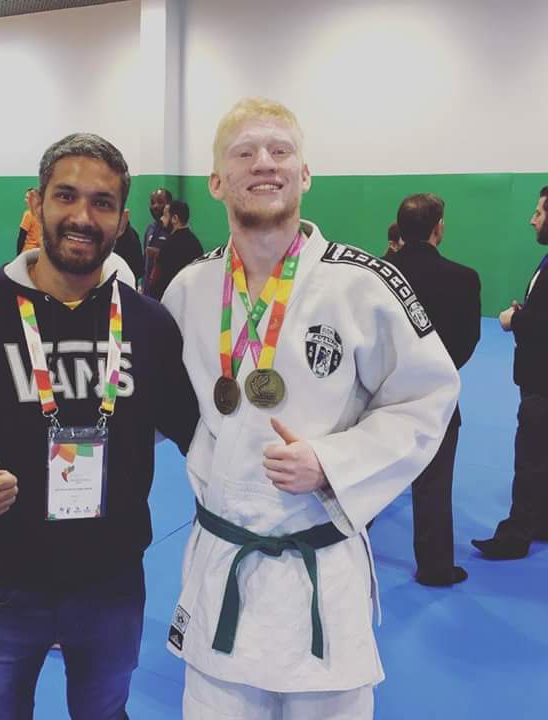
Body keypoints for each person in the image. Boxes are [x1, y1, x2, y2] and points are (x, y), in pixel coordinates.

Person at [0, 133, 198, 720]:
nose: (83, 216)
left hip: (112, 585)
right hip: (4, 585)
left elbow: (203, 431)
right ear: (36, 204)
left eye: (102, 203)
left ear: (122, 219)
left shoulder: (150, 326)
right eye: (66, 196)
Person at [161, 97, 460, 720]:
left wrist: (331, 460)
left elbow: (428, 395)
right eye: (244, 152)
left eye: (280, 151)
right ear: (216, 181)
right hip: (222, 564)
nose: (264, 163)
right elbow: (151, 402)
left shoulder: (364, 284)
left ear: (305, 174)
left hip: (320, 571)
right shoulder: (188, 288)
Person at [390, 193, 481, 585]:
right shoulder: (463, 278)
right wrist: (439, 372)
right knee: (433, 483)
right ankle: (435, 566)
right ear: (437, 228)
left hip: (378, 393)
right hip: (435, 394)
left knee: (362, 472)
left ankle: (343, 548)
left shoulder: (376, 274)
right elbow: (467, 340)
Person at [472, 186, 548, 560]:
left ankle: (515, 537)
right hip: (537, 377)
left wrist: (513, 319)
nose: (532, 220)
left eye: (539, 213)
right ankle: (541, 522)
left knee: (531, 459)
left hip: (542, 384)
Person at [151, 200, 203, 300]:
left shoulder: (169, 245)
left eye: (165, 215)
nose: (161, 219)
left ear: (175, 218)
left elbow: (161, 279)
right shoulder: (196, 243)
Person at [143, 187, 172, 296]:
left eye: (160, 202)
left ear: (169, 205)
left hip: (166, 290)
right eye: (152, 202)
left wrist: (159, 254)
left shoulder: (175, 231)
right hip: (148, 290)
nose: (155, 206)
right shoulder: (150, 228)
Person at [17, 187, 43, 255]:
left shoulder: (28, 214)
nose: (25, 200)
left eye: (27, 197)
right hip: (40, 253)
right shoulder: (44, 215)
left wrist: (18, 256)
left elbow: (21, 237)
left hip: (27, 253)